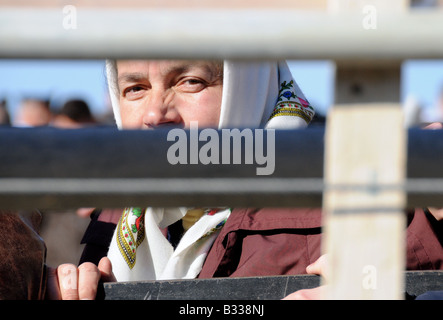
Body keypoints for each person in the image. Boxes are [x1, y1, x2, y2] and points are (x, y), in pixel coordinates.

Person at [50, 59, 441, 299]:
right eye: (134, 88)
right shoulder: (114, 226)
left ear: (250, 85)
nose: (155, 114)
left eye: (190, 81)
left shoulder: (361, 190)